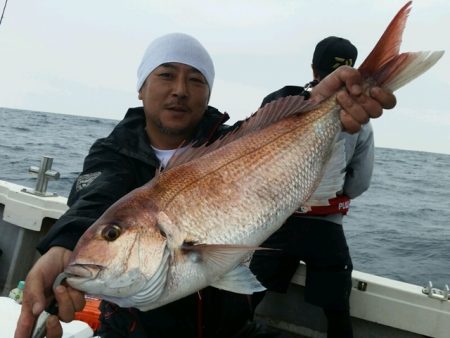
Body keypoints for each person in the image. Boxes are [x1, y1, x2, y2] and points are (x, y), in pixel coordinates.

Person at [14, 32, 395, 338]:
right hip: (132, 330)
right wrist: (63, 247)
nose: (180, 89)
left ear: (209, 93)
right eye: (165, 74)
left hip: (230, 327)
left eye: (195, 79)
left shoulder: (231, 141)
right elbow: (94, 200)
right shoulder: (113, 153)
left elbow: (265, 123)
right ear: (141, 88)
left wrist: (316, 102)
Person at [250, 36, 370, 338]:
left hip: (279, 224)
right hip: (326, 229)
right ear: (350, 73)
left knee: (247, 299)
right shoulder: (360, 120)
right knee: (337, 313)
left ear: (314, 67)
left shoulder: (280, 105)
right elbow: (359, 183)